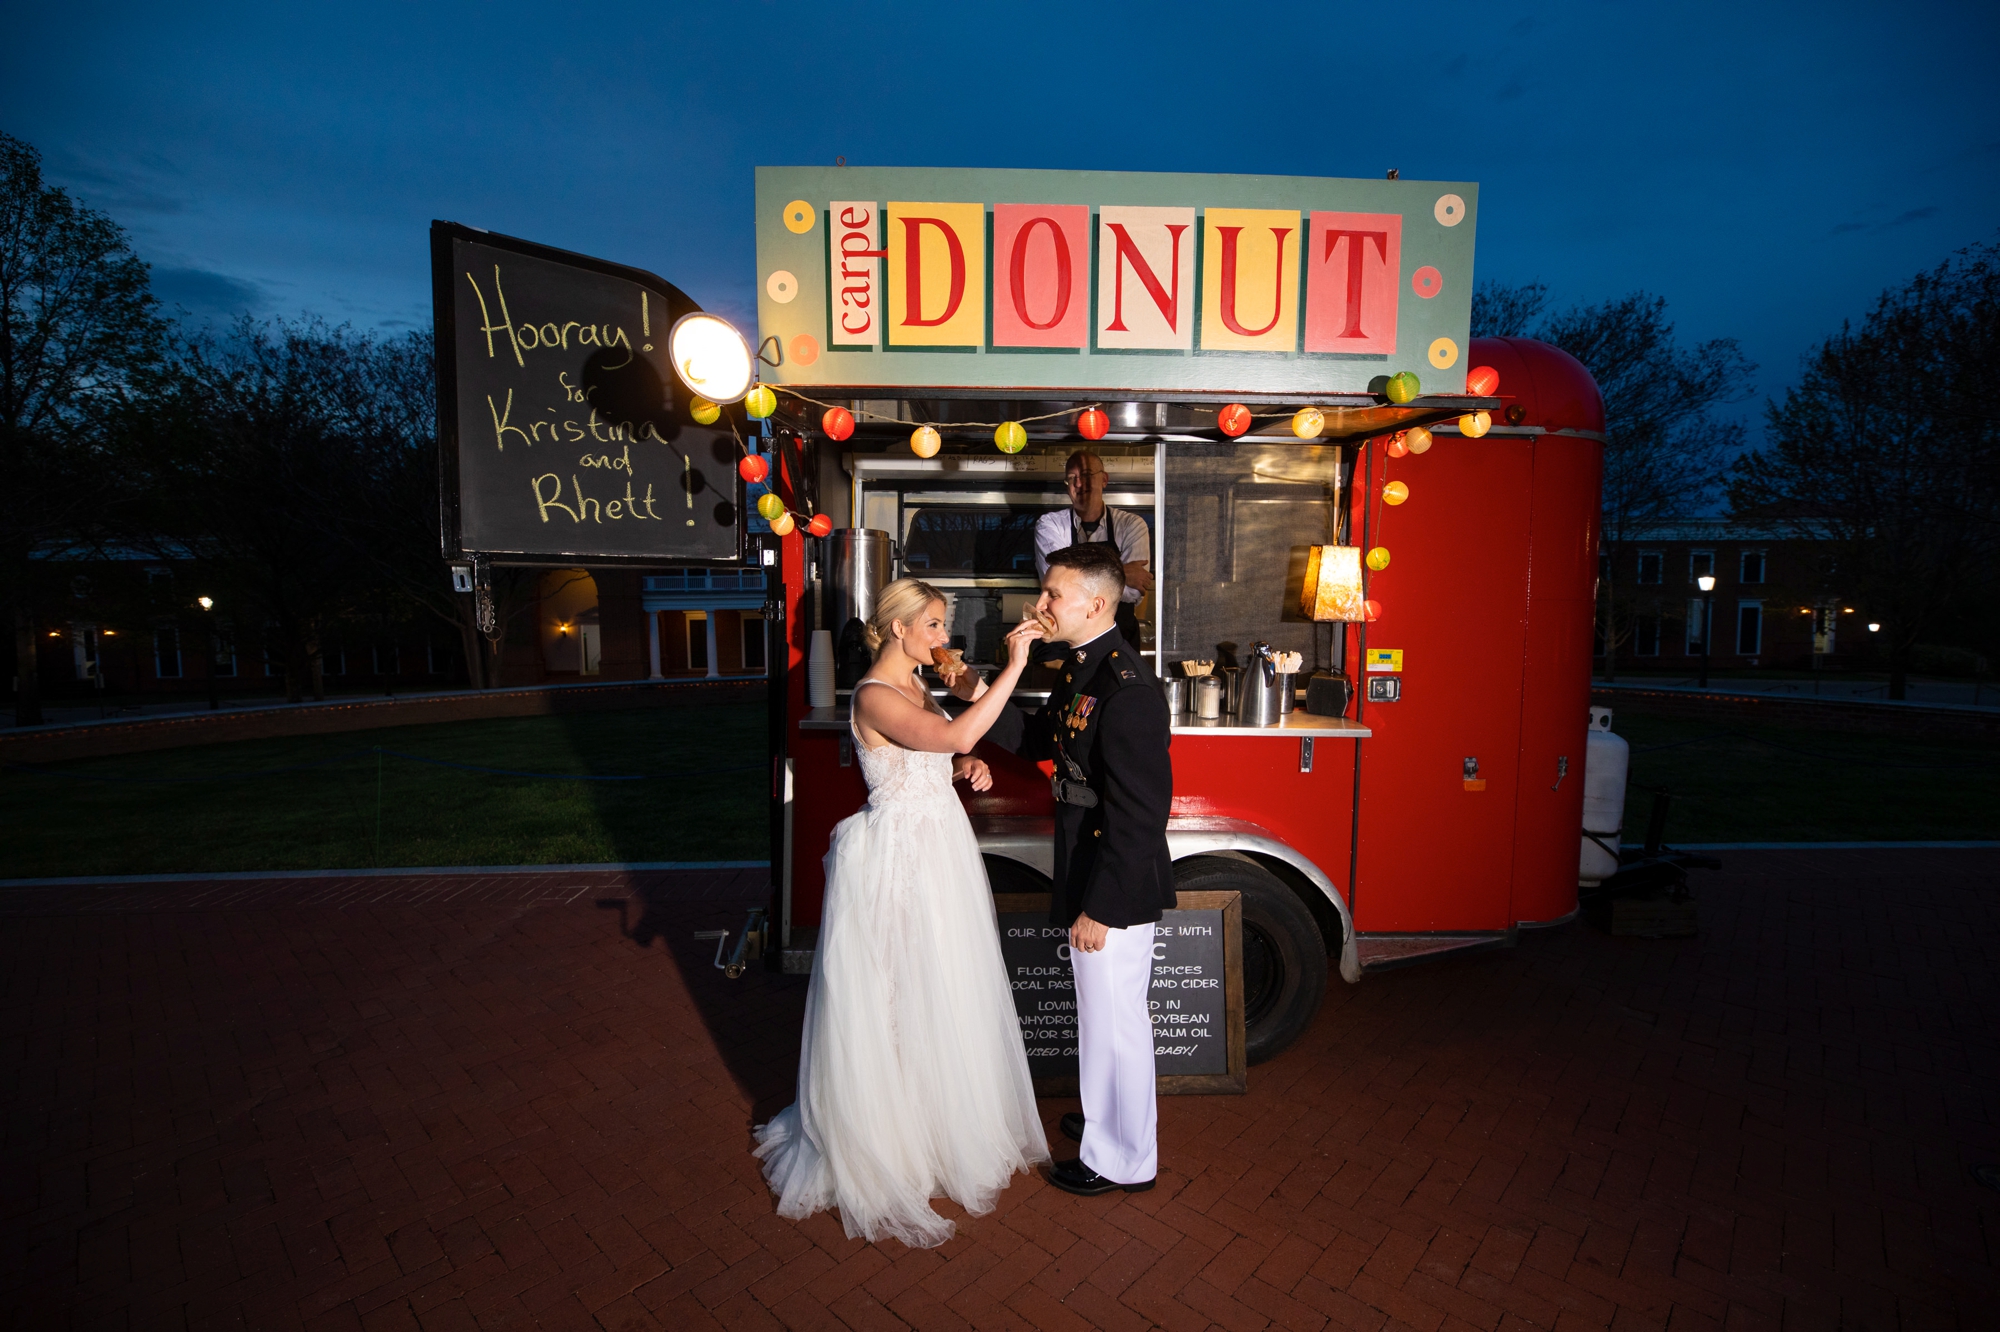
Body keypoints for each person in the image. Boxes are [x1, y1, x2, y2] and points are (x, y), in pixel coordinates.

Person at [754, 577, 1050, 1247]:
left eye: (944, 625)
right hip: (897, 862)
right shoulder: (877, 694)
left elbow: (927, 758)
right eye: (936, 625)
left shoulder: (918, 687)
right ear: (898, 629)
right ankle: (884, 1137)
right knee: (889, 994)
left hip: (937, 849)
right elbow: (952, 735)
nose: (944, 636)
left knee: (934, 988)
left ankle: (930, 1124)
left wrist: (961, 769)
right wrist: (1013, 671)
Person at [962, 544, 1175, 1196]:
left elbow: (1140, 815)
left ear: (1097, 604)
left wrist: (1102, 906)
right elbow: (1034, 743)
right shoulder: (1082, 669)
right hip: (1090, 867)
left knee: (1117, 1024)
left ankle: (1125, 1159)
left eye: (1054, 594)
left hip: (1113, 884)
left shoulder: (1126, 689)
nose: (1041, 604)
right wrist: (978, 687)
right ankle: (1107, 1124)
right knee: (1101, 1018)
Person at [1033, 449, 1154, 648]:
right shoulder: (1050, 524)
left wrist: (1075, 583)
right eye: (1072, 478)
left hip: (1118, 642)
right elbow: (1055, 581)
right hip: (1063, 643)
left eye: (1087, 475)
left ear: (1104, 479)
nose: (1079, 484)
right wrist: (1122, 573)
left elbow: (1133, 591)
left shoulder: (1131, 525)